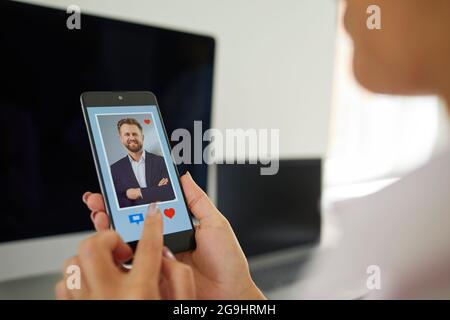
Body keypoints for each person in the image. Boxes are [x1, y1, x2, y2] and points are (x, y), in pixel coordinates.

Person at [56, 0, 450, 299]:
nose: (347, 10)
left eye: (135, 134)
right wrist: (239, 294)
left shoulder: (418, 240)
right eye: (124, 136)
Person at [111, 118, 174, 208]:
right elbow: (121, 204)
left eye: (135, 134)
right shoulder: (114, 170)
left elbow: (170, 192)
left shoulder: (162, 161)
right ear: (121, 139)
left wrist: (138, 192)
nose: (132, 138)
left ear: (142, 137)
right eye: (127, 134)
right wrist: (156, 191)